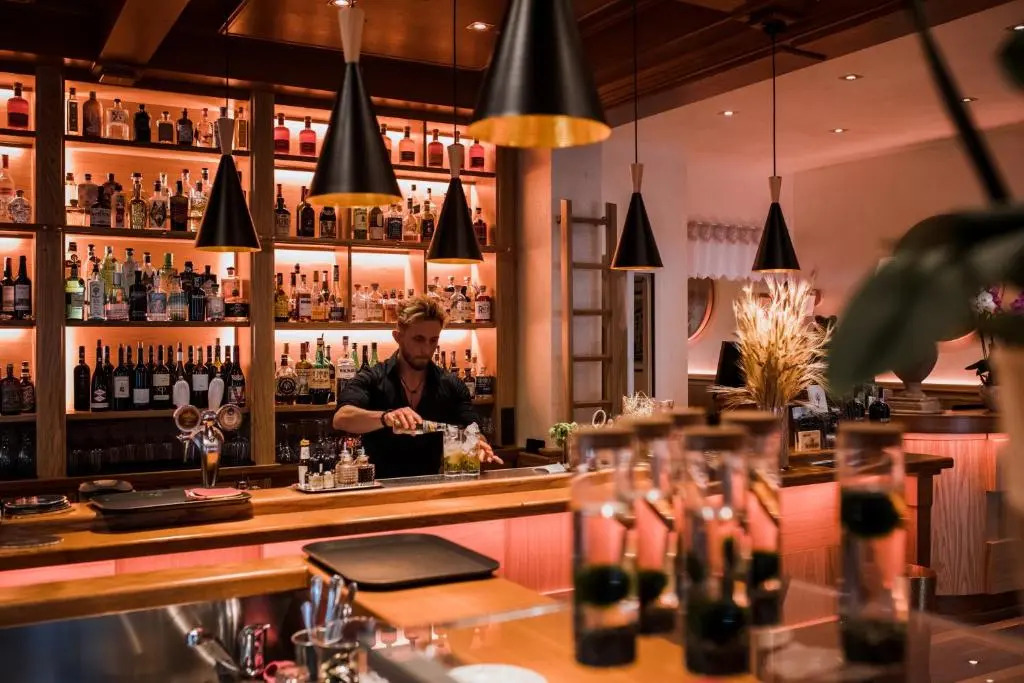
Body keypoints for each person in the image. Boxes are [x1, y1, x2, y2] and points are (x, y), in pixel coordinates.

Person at [334, 294, 501, 479]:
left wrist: (479, 444)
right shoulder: (373, 377)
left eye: (433, 340)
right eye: (419, 339)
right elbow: (341, 418)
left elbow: (473, 428)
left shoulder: (451, 385)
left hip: (431, 488)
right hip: (379, 488)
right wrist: (385, 417)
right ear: (398, 337)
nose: (427, 349)